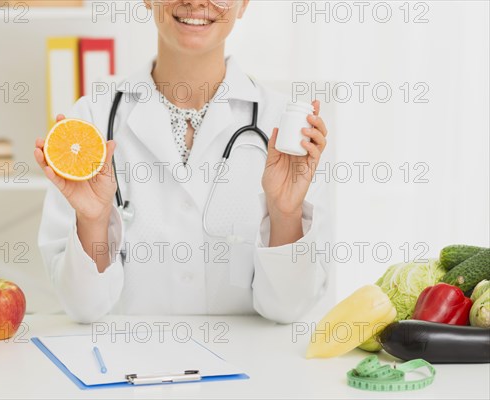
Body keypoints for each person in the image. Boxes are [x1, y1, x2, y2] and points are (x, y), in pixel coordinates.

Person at [35, 0, 329, 323]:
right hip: (128, 364)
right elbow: (84, 308)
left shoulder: (287, 129)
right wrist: (93, 220)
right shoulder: (91, 122)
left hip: (248, 369)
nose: (197, 2)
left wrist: (285, 213)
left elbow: (287, 309)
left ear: (243, 3)